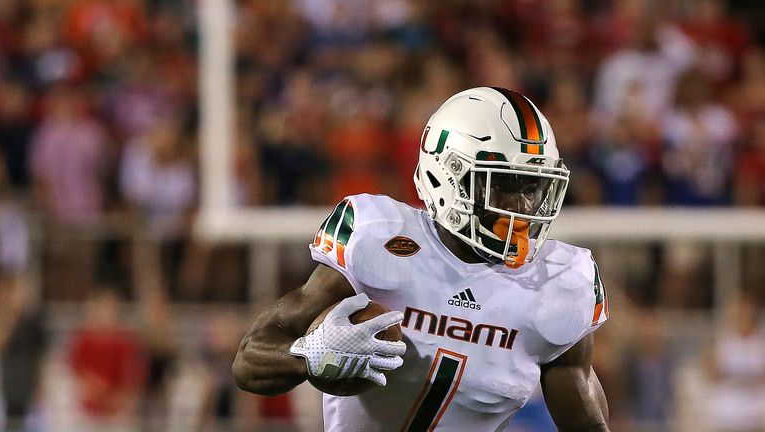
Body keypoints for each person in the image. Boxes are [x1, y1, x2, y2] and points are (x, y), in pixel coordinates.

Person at [233, 87, 610, 431]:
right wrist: (311, 357)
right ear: (448, 176)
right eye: (504, 185)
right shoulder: (378, 239)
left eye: (533, 186)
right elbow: (249, 361)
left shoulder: (560, 283)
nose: (523, 206)